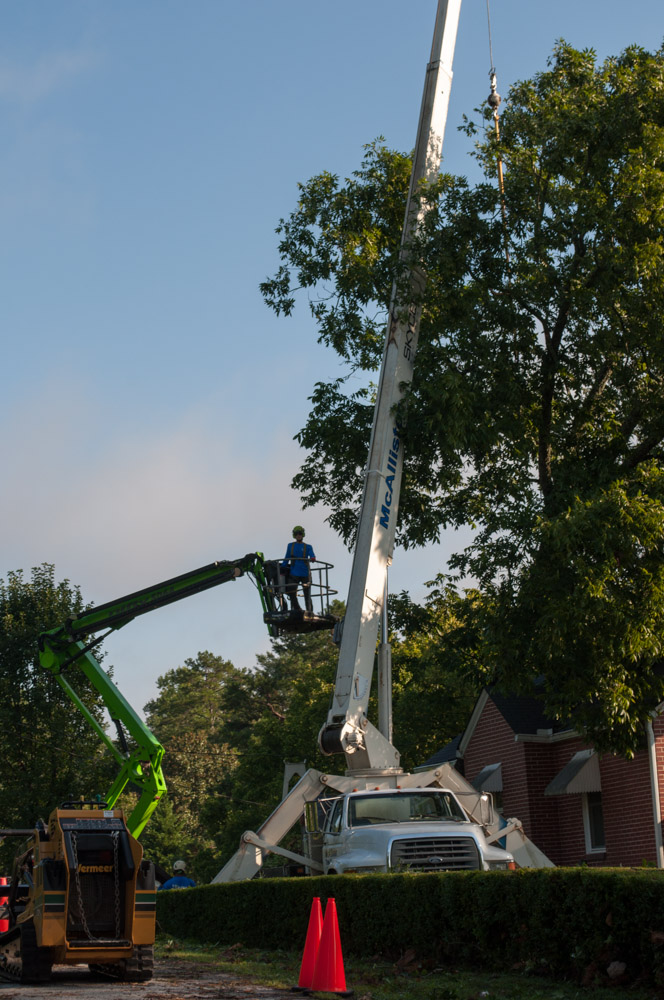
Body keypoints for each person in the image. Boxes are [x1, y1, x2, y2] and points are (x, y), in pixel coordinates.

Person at [281, 525, 315, 612]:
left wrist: (312, 558)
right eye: (296, 534)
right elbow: (287, 557)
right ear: (294, 535)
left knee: (307, 595)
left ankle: (310, 611)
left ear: (302, 534)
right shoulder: (290, 546)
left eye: (300, 533)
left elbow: (312, 554)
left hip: (305, 573)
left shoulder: (308, 547)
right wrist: (283, 567)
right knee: (291, 592)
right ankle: (297, 609)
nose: (298, 535)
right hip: (294, 573)